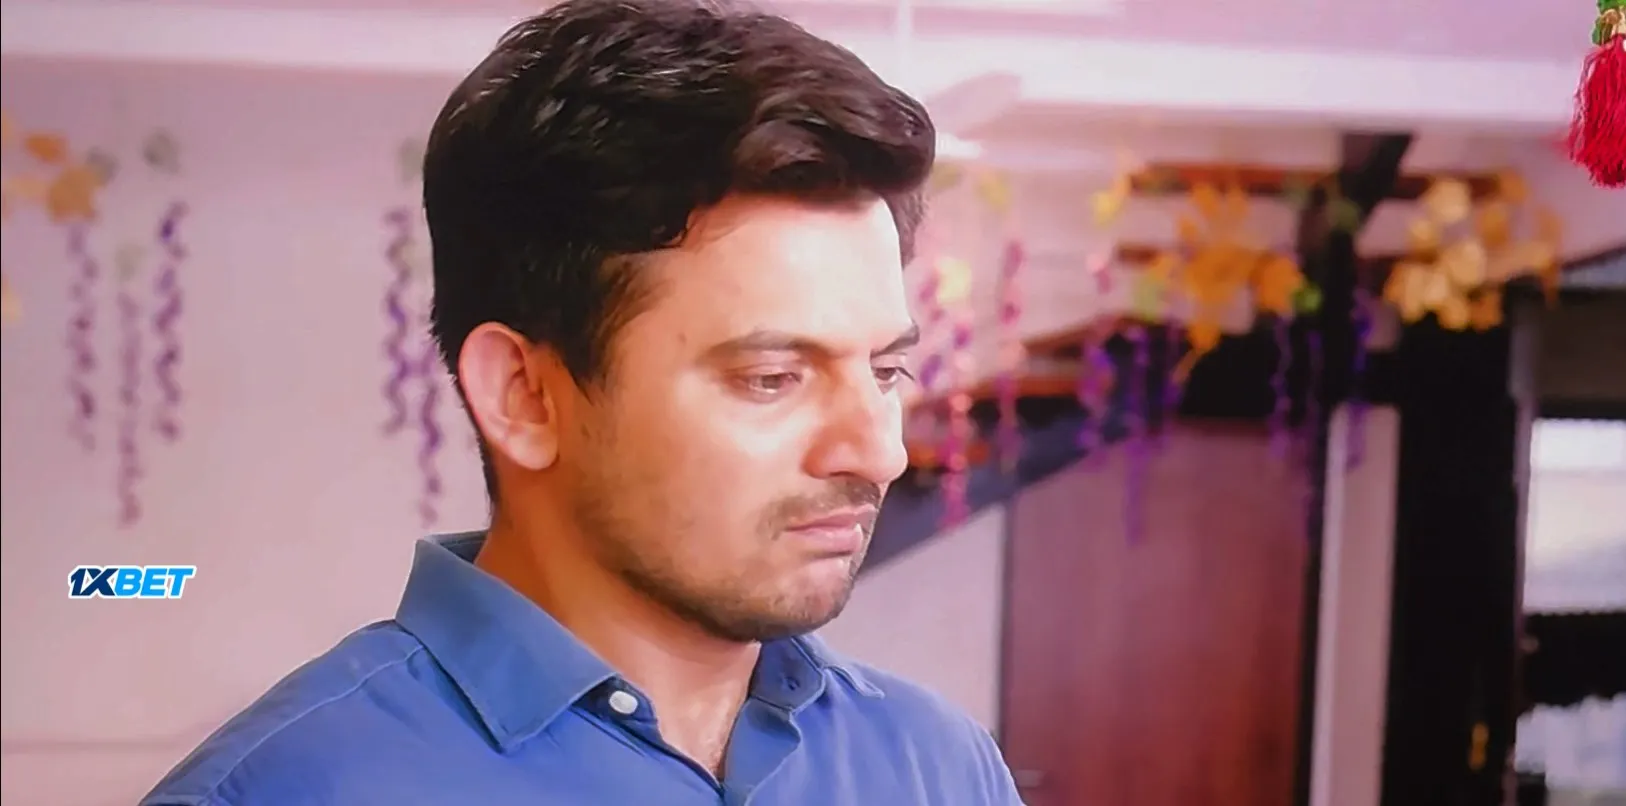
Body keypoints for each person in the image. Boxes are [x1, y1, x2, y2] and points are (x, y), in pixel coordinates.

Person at [141, 1, 1023, 803]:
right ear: (523, 395)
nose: (877, 452)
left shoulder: (941, 769)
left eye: (884, 372)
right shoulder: (280, 791)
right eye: (771, 379)